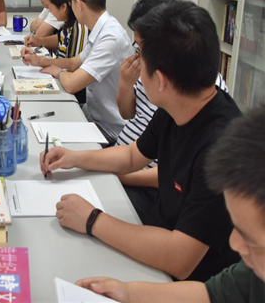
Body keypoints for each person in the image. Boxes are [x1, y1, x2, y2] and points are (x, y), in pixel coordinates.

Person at [40, 0, 242, 281]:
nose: (134, 62)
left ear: (160, 79)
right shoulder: (180, 103)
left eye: (140, 54)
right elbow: (133, 155)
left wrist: (92, 219)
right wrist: (73, 157)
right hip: (161, 227)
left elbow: (180, 258)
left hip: (190, 280)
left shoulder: (222, 149)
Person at [75, 107, 265, 303]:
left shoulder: (213, 135)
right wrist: (128, 292)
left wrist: (93, 221)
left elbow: (181, 259)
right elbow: (210, 294)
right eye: (236, 228)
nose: (234, 244)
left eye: (250, 239)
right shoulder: (252, 275)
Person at [116, 0, 228, 187]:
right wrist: (125, 84)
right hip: (127, 162)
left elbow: (178, 174)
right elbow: (128, 121)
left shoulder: (193, 91)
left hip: (144, 181)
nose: (140, 55)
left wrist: (122, 177)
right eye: (138, 47)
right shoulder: (162, 103)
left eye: (142, 46)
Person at [28, 0, 133, 143]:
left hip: (109, 129)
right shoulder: (100, 29)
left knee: (43, 139)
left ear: (80, 4)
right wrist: (41, 61)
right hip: (92, 117)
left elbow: (72, 84)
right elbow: (74, 62)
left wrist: (57, 72)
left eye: (71, 1)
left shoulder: (110, 38)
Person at [19, 0, 88, 102]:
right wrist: (39, 41)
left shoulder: (79, 27)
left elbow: (71, 65)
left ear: (63, 7)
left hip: (73, 95)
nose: (50, 12)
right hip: (62, 83)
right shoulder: (69, 24)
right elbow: (60, 39)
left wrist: (41, 61)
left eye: (51, 9)